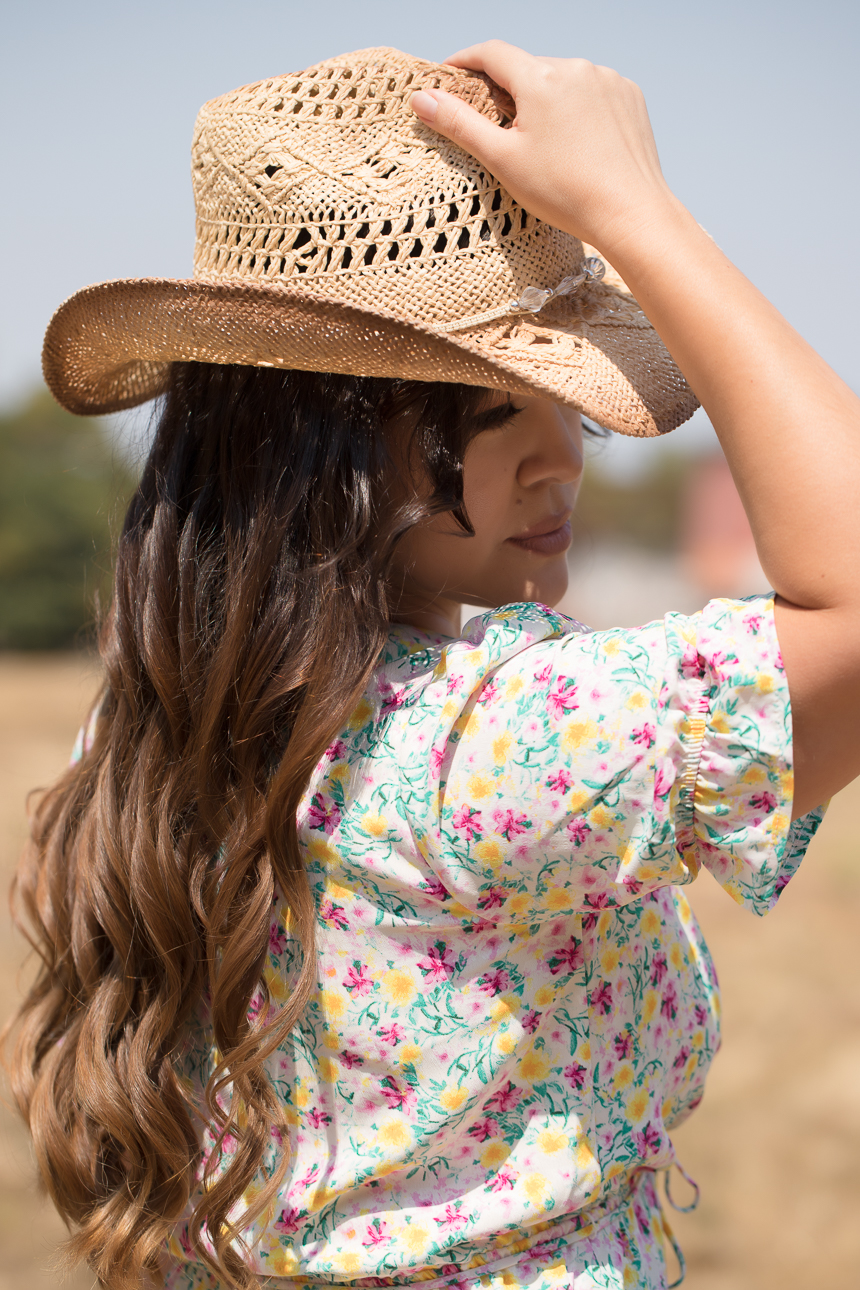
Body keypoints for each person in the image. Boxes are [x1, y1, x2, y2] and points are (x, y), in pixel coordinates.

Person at [6, 39, 860, 1290]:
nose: (565, 454)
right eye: (492, 403)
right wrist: (637, 211)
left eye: (556, 394)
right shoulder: (483, 742)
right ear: (317, 445)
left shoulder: (157, 729)